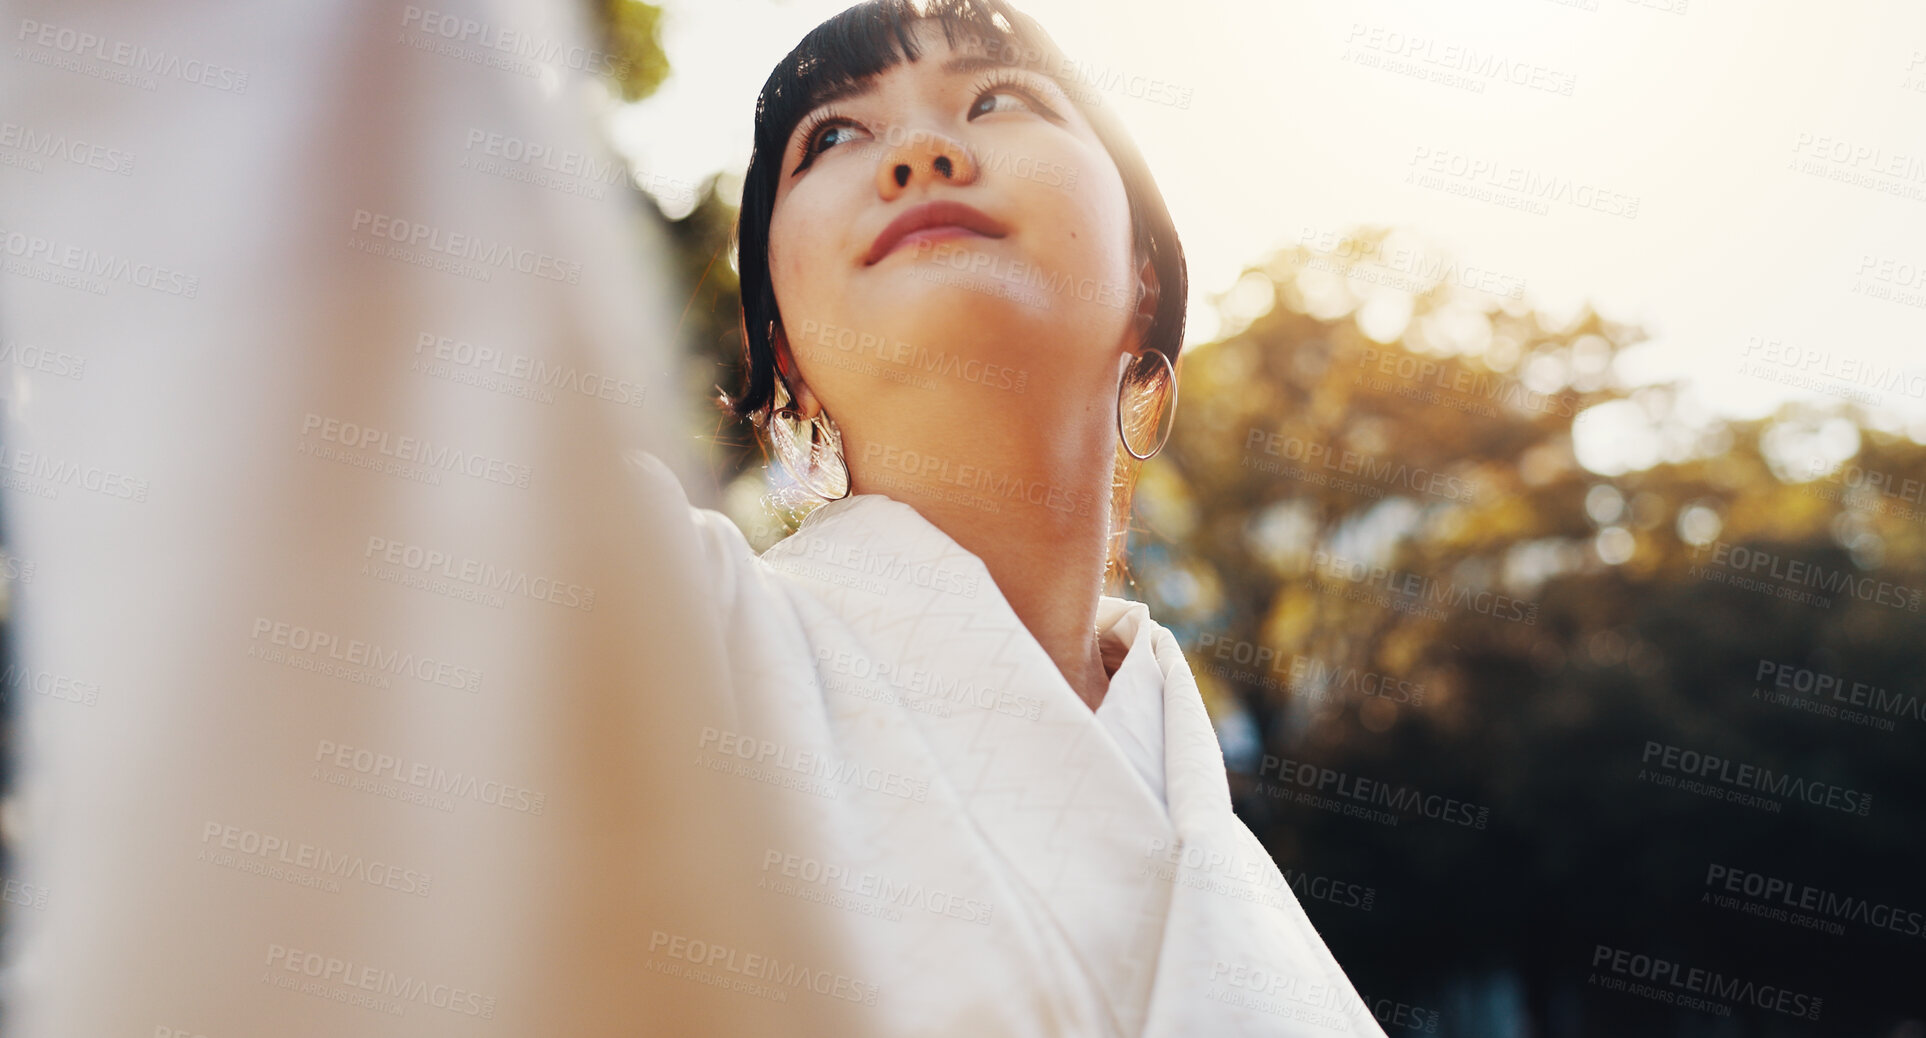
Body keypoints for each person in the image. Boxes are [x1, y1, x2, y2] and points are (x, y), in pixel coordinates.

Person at [0, 0, 1383, 1035]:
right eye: (832, 136)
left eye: (1000, 99)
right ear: (778, 351)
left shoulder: (1259, 920)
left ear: (1143, 273)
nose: (914, 151)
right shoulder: (630, 621)